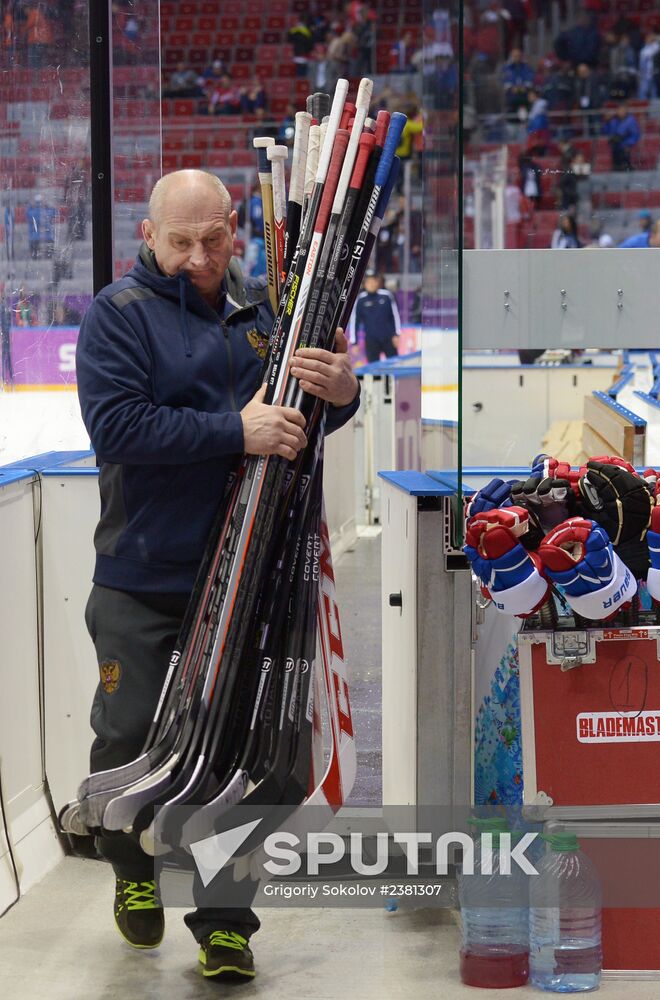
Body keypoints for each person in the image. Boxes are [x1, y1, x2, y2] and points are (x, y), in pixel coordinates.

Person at [75, 169, 360, 979]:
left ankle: (226, 919)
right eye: (180, 242)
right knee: (129, 732)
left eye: (212, 239)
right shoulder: (117, 316)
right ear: (148, 235)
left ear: (235, 230)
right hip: (144, 576)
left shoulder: (270, 313)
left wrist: (342, 392)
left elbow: (310, 413)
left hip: (254, 577)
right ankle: (132, 872)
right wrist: (233, 432)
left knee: (249, 753)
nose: (197, 258)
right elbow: (120, 425)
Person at [350, 270, 401, 363]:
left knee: (395, 364)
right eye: (368, 281)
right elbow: (354, 321)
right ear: (364, 283)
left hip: (388, 338)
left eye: (374, 281)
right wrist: (354, 342)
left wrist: (396, 334)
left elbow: (395, 316)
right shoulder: (361, 299)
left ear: (378, 282)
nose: (371, 284)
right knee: (373, 368)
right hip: (371, 340)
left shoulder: (387, 296)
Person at [603, 104, 641, 171]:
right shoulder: (613, 120)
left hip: (627, 146)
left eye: (622, 110)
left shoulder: (631, 121)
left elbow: (635, 135)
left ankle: (628, 168)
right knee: (615, 162)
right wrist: (607, 122)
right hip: (615, 146)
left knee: (625, 156)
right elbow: (606, 132)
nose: (620, 112)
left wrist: (628, 144)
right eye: (619, 110)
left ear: (626, 111)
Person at [502, 48, 534, 112]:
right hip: (511, 97)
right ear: (511, 57)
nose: (517, 58)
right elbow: (505, 83)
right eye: (515, 56)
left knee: (524, 115)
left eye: (519, 56)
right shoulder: (506, 68)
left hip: (525, 97)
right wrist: (512, 88)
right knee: (511, 112)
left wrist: (523, 88)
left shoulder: (527, 68)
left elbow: (529, 82)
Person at [27, 194, 56, 259]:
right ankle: (49, 257)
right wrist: (48, 206)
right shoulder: (48, 211)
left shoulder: (31, 212)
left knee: (34, 251)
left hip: (34, 237)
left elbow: (27, 213)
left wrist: (30, 206)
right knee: (50, 248)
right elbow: (55, 213)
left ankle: (34, 258)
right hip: (48, 236)